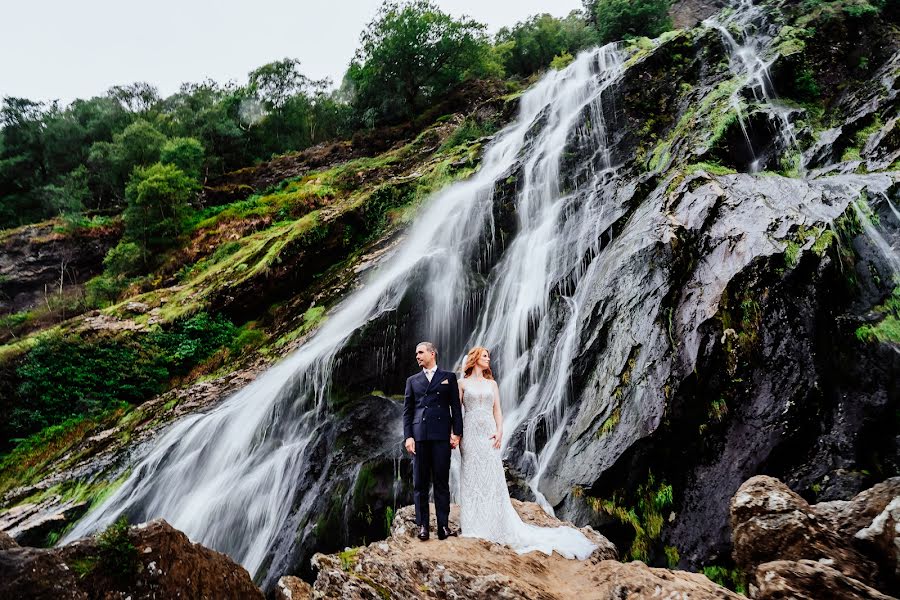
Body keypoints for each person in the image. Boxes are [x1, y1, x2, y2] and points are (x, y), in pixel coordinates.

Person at [457, 346, 597, 559]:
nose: (488, 359)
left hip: (488, 432)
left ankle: (494, 524)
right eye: (485, 356)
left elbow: (497, 410)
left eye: (488, 356)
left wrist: (500, 432)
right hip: (469, 433)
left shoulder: (492, 384)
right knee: (472, 477)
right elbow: (455, 412)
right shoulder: (462, 384)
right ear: (475, 358)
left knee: (491, 477)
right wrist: (455, 434)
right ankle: (474, 524)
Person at [402, 341, 463, 541]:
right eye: (416, 353)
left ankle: (443, 527)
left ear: (432, 353)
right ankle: (423, 527)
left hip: (441, 436)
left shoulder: (449, 378)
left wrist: (457, 433)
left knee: (441, 482)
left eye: (420, 352)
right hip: (419, 437)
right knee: (420, 483)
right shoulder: (412, 380)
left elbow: (456, 407)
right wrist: (408, 436)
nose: (417, 356)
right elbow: (408, 412)